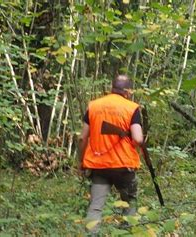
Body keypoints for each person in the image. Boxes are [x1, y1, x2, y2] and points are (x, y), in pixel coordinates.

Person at [78, 74, 144, 232]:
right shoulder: (132, 108)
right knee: (130, 203)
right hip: (124, 166)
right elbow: (138, 139)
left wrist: (82, 161)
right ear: (128, 91)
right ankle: (127, 233)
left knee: (95, 207)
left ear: (111, 88)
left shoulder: (93, 106)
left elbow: (82, 138)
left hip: (99, 166)